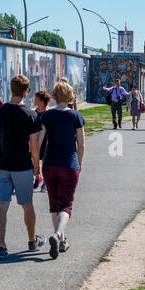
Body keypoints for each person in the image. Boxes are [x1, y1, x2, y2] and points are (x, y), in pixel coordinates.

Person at [0, 74, 44, 259]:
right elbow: (34, 146)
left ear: (11, 89)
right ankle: (32, 241)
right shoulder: (31, 114)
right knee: (27, 205)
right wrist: (36, 167)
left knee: (2, 206)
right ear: (26, 92)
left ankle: (1, 246)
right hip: (22, 166)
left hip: (3, 165)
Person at [39, 80, 85, 258]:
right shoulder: (75, 116)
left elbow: (39, 141)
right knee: (66, 205)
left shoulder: (47, 116)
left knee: (54, 203)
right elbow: (81, 144)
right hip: (69, 164)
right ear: (70, 96)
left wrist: (36, 162)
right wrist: (79, 163)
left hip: (50, 164)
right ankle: (58, 235)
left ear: (55, 96)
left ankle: (61, 240)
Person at [33, 91, 51, 191]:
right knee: (34, 162)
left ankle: (45, 183)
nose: (34, 100)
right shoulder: (33, 113)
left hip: (47, 142)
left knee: (45, 164)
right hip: (34, 142)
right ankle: (38, 178)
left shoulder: (49, 114)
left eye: (36, 98)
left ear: (42, 101)